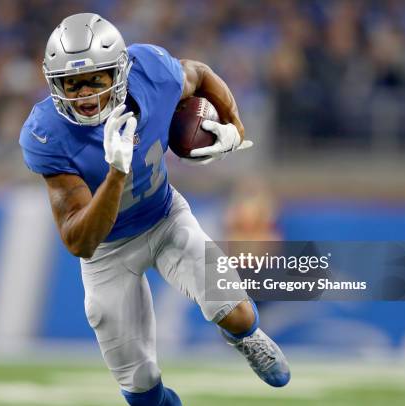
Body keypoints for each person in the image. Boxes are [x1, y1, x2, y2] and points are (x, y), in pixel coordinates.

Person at [19, 13, 290, 406]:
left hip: (165, 218)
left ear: (120, 72)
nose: (84, 95)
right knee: (141, 387)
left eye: (95, 79)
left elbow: (197, 74)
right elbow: (80, 241)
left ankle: (246, 340)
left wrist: (234, 127)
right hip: (107, 252)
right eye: (71, 83)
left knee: (237, 314)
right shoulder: (47, 133)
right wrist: (115, 174)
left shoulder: (151, 73)